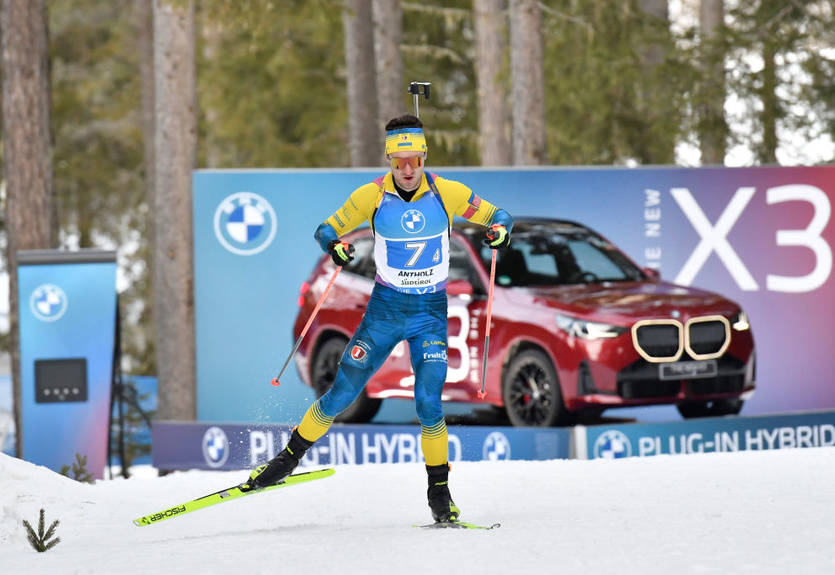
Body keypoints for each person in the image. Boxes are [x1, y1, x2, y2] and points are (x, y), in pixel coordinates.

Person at [243, 114, 513, 523]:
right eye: (398, 162)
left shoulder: (449, 193)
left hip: (429, 314)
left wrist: (500, 232)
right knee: (340, 396)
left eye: (414, 161)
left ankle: (439, 492)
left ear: (424, 156)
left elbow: (500, 216)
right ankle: (284, 462)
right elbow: (326, 228)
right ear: (389, 159)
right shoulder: (371, 196)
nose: (407, 170)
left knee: (428, 405)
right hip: (384, 312)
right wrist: (334, 246)